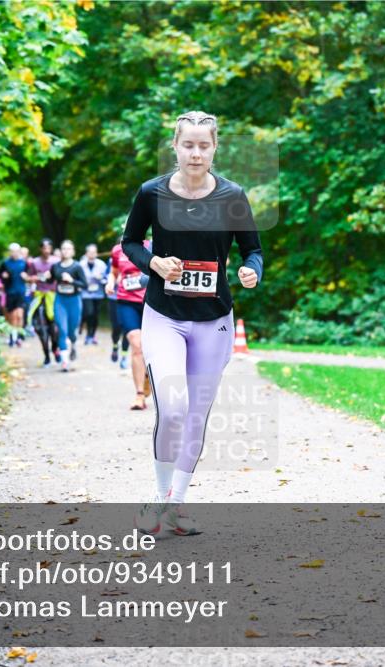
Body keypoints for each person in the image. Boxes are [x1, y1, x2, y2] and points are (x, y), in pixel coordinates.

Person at [121, 110, 263, 536]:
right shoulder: (153, 193)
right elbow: (130, 241)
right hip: (164, 316)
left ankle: (175, 507)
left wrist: (251, 270)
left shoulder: (232, 196)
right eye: (188, 144)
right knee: (175, 407)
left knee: (197, 415)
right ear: (175, 146)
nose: (196, 152)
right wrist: (154, 262)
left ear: (215, 148)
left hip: (214, 320)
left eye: (204, 145)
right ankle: (159, 498)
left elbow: (252, 250)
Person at [106, 240, 151, 408]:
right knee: (136, 343)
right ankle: (139, 395)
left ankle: (148, 375)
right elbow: (114, 271)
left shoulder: (152, 245)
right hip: (126, 301)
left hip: (151, 302)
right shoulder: (117, 249)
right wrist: (110, 282)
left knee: (151, 346)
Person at [52, 240, 87, 372]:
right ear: (61, 251)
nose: (65, 251)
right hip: (60, 301)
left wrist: (72, 281)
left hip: (74, 301)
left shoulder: (77, 267)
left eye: (68, 249)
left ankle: (73, 343)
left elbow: (85, 285)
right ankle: (65, 361)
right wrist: (45, 277)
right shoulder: (55, 267)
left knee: (72, 330)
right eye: (63, 249)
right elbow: (50, 279)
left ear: (73, 251)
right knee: (62, 330)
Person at [24, 238, 61, 367]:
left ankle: (55, 348)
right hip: (39, 295)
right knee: (39, 326)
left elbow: (61, 276)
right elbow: (28, 277)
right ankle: (46, 356)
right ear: (40, 249)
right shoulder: (34, 263)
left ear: (51, 249)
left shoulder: (56, 261)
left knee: (55, 328)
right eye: (44, 248)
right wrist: (33, 278)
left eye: (48, 248)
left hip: (53, 296)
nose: (46, 250)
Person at [0, 243, 28, 347]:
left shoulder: (24, 263)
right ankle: (12, 337)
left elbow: (30, 276)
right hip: (10, 292)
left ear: (19, 252)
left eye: (16, 251)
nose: (14, 253)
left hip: (21, 292)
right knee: (12, 317)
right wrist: (3, 277)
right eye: (12, 251)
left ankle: (19, 336)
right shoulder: (5, 263)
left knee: (19, 315)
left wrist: (27, 277)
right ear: (9, 252)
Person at [79, 243, 107, 345]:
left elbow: (107, 278)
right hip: (85, 293)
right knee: (89, 313)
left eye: (94, 252)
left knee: (95, 315)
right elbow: (77, 278)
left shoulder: (101, 264)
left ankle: (92, 335)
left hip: (98, 293)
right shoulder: (81, 264)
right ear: (86, 253)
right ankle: (88, 334)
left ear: (96, 253)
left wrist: (101, 278)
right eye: (90, 252)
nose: (92, 254)